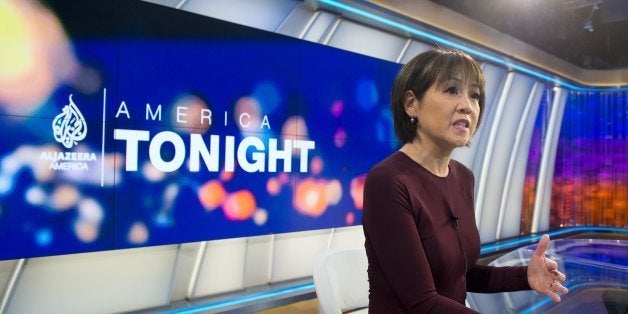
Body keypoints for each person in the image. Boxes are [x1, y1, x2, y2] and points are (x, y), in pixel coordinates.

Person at [362, 48, 568, 313]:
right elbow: (422, 302)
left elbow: (460, 275)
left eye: (475, 95)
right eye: (451, 90)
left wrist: (525, 276)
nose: (467, 106)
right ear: (411, 104)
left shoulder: (463, 177)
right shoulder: (387, 181)